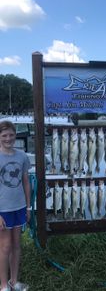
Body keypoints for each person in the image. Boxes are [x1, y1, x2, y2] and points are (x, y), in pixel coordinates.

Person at [0, 121, 31, 291]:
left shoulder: (22, 156)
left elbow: (26, 182)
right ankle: (3, 285)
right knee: (4, 247)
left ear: (15, 135)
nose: (8, 138)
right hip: (2, 210)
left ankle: (14, 281)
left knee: (16, 245)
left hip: (19, 207)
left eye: (11, 135)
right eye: (4, 135)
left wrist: (28, 208)